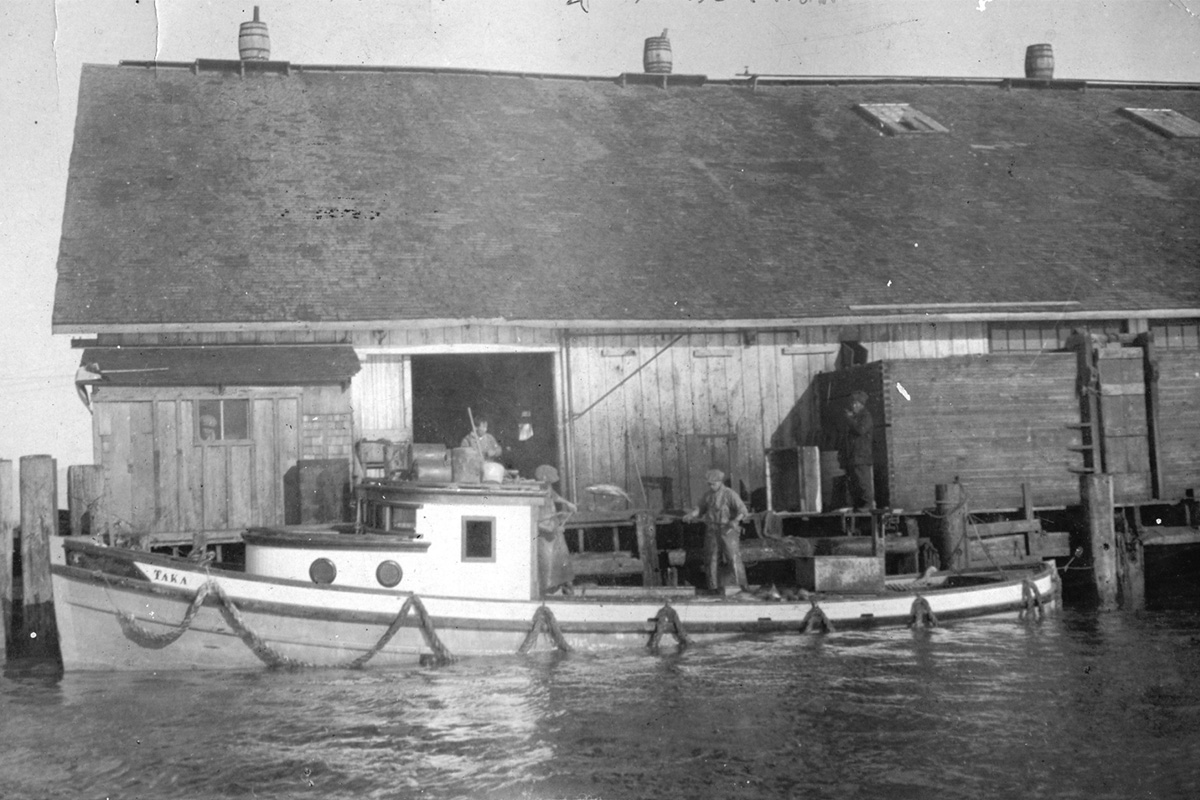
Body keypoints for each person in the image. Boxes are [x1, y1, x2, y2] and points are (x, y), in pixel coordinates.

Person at [684, 469, 749, 592]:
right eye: (709, 484)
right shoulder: (707, 496)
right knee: (711, 559)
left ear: (720, 482)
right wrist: (691, 515)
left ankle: (742, 587)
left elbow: (743, 511)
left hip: (727, 531)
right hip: (712, 531)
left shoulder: (730, 494)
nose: (711, 486)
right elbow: (700, 508)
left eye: (713, 484)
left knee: (733, 558)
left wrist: (735, 521)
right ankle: (713, 588)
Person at [534, 465, 577, 595]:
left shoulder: (548, 487)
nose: (553, 481)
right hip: (544, 531)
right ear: (544, 477)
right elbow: (537, 517)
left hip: (554, 528)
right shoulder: (537, 489)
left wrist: (568, 503)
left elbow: (555, 497)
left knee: (563, 559)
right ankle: (546, 590)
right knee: (547, 562)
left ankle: (565, 587)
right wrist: (550, 524)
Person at [842, 390, 875, 511]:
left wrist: (850, 420)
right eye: (853, 403)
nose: (853, 406)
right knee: (855, 482)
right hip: (854, 456)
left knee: (863, 481)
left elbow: (860, 430)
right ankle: (859, 505)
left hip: (862, 456)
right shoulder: (856, 417)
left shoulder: (866, 416)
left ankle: (868, 504)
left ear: (861, 404)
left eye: (856, 403)